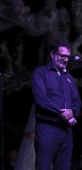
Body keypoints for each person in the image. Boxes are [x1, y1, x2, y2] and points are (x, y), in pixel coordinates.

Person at [30, 39, 81, 170]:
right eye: (62, 56)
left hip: (66, 131)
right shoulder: (40, 73)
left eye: (68, 57)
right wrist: (65, 114)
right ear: (52, 55)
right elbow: (42, 100)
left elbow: (77, 100)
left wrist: (73, 112)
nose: (65, 59)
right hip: (47, 129)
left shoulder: (68, 77)